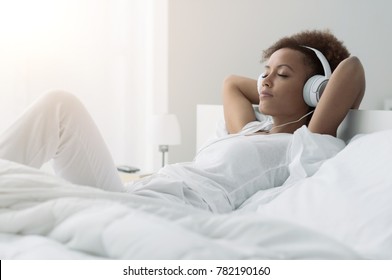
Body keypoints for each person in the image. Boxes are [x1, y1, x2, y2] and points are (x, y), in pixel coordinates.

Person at [0, 30, 365, 213]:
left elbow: (353, 69)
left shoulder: (303, 145)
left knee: (60, 107)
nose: (264, 82)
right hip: (136, 194)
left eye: (282, 75)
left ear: (316, 91)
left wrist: (316, 93)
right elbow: (231, 85)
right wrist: (277, 85)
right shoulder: (250, 131)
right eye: (264, 73)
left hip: (158, 210)